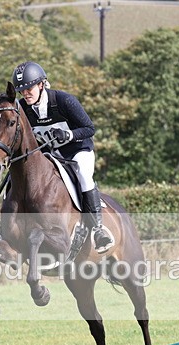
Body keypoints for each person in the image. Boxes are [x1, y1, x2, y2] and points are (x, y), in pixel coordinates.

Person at [11, 61, 114, 254]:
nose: (25, 93)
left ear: (41, 84)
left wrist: (69, 135)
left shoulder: (63, 101)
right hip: (51, 154)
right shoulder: (22, 108)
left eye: (29, 88)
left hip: (77, 150)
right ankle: (6, 230)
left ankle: (99, 229)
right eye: (21, 90)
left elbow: (90, 129)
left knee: (84, 174)